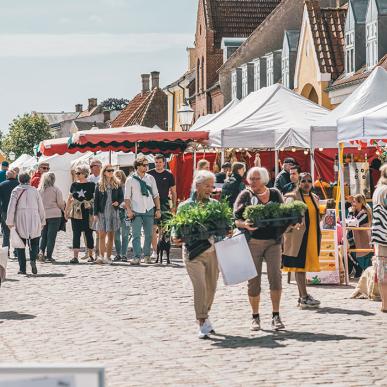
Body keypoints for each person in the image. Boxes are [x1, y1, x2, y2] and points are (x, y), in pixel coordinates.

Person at [234, 167, 285, 331]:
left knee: (275, 278)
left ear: (263, 179)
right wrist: (245, 225)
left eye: (256, 179)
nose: (253, 182)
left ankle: (276, 315)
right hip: (253, 243)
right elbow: (236, 219)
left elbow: (284, 214)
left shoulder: (275, 193)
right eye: (251, 179)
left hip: (273, 242)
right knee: (253, 282)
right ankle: (255, 316)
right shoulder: (246, 195)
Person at [175, 170, 220, 339]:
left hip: (212, 251)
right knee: (200, 287)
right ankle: (201, 321)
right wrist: (175, 236)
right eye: (207, 185)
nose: (210, 189)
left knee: (211, 288)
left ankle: (205, 315)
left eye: (212, 186)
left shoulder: (215, 205)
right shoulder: (185, 206)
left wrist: (227, 231)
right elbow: (177, 227)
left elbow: (222, 226)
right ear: (197, 185)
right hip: (192, 252)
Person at [282, 172, 322, 308]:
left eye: (309, 181)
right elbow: (285, 217)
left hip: (311, 236)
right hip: (298, 238)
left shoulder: (315, 197)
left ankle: (302, 297)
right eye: (303, 181)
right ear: (298, 183)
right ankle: (304, 296)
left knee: (303, 267)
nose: (306, 184)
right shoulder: (291, 197)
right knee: (299, 267)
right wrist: (292, 225)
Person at [6, 173, 45, 275]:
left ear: (19, 180)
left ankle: (22, 268)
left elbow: (11, 207)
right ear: (29, 180)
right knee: (35, 241)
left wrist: (9, 221)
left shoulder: (16, 190)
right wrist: (43, 220)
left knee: (20, 244)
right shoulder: (34, 190)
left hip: (20, 218)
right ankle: (32, 260)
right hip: (34, 217)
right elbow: (41, 206)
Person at [125, 156, 161, 265]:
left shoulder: (150, 178)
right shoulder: (130, 179)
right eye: (144, 165)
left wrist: (158, 209)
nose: (147, 167)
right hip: (136, 210)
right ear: (137, 166)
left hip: (149, 208)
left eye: (147, 165)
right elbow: (127, 197)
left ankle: (147, 256)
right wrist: (129, 210)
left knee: (149, 234)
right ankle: (136, 257)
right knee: (136, 235)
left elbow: (155, 195)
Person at [148, 154, 177, 260]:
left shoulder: (169, 174)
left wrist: (173, 206)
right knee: (153, 228)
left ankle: (163, 250)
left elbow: (174, 191)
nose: (158, 164)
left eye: (160, 162)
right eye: (156, 162)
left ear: (164, 163)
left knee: (164, 229)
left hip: (165, 204)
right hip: (151, 204)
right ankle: (155, 251)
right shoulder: (149, 174)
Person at [93, 164, 123, 264]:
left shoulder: (117, 183)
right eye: (108, 170)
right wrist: (95, 214)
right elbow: (96, 200)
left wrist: (118, 202)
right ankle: (101, 256)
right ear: (104, 172)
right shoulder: (99, 184)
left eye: (112, 170)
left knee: (111, 236)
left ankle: (108, 257)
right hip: (102, 212)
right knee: (101, 235)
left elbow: (121, 197)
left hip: (113, 212)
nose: (111, 172)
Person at [65, 165, 95, 264]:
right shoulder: (74, 185)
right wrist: (66, 211)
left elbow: (95, 199)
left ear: (85, 174)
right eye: (76, 173)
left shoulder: (91, 185)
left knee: (89, 233)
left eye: (78, 173)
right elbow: (69, 199)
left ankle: (91, 255)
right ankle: (75, 257)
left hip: (87, 211)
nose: (76, 175)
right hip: (76, 212)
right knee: (76, 234)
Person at [38, 172, 65, 263]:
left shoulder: (39, 190)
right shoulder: (56, 189)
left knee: (43, 236)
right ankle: (49, 256)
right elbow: (60, 203)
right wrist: (63, 209)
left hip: (43, 215)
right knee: (51, 237)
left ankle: (41, 251)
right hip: (54, 215)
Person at [371, 163, 387, 312]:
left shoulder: (377, 191)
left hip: (379, 235)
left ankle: (384, 304)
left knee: (383, 271)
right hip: (386, 235)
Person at [347, 194, 373, 278]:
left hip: (363, 241)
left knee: (364, 259)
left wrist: (350, 212)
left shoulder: (364, 213)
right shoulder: (355, 211)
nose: (352, 203)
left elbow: (353, 223)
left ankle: (363, 273)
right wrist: (351, 213)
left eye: (354, 201)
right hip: (353, 239)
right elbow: (348, 221)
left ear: (360, 203)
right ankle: (357, 272)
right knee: (351, 254)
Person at [113, 170, 130, 262]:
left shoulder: (127, 186)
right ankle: (118, 254)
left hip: (126, 212)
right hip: (115, 213)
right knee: (116, 235)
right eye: (117, 176)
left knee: (125, 235)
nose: (118, 178)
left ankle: (124, 254)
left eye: (120, 176)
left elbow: (130, 198)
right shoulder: (113, 187)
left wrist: (124, 204)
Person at [0, 170, 19, 251]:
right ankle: (17, 251)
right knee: (17, 231)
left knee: (6, 232)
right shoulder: (19, 185)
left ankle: (6, 251)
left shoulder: (1, 185)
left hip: (5, 210)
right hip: (17, 210)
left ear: (6, 176)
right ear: (15, 176)